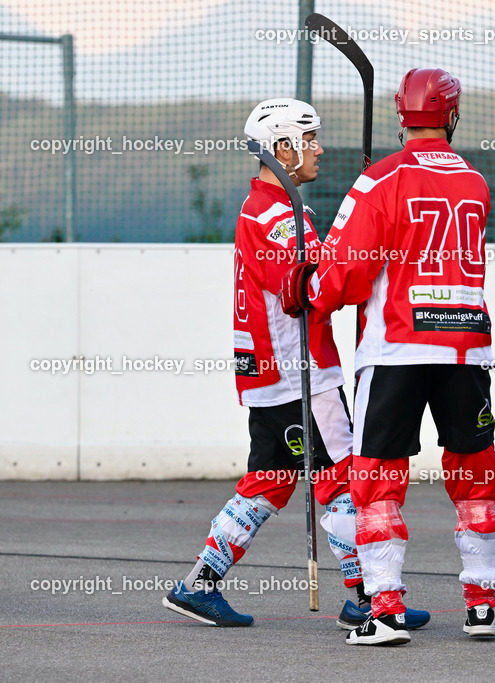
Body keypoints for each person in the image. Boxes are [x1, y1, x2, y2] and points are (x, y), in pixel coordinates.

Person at [162, 98, 428, 630]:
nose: (319, 149)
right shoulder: (277, 215)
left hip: (272, 371)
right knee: (345, 480)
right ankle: (367, 597)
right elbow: (305, 288)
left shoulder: (271, 207)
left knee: (271, 479)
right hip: (300, 372)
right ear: (281, 148)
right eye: (309, 140)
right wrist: (362, 240)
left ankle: (199, 584)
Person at [281, 68, 495, 646]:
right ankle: (482, 606)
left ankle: (384, 611)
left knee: (378, 478)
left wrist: (307, 288)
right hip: (466, 349)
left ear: (402, 116)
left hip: (397, 348)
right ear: (451, 115)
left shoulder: (379, 179)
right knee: (475, 473)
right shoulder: (475, 182)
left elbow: (347, 274)